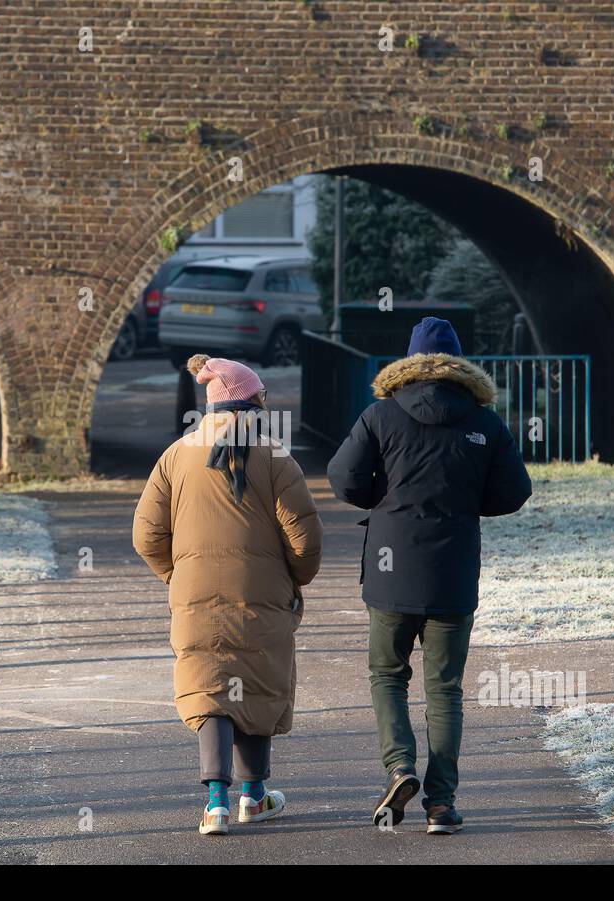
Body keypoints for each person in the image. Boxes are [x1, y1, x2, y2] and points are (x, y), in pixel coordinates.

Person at [326, 317, 531, 834]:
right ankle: (441, 804)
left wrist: (385, 498)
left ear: (409, 363)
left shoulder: (380, 416)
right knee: (445, 689)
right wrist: (464, 504)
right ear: (459, 366)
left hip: (391, 571)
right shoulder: (485, 424)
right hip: (453, 575)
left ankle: (399, 768)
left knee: (387, 676)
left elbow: (343, 478)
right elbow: (514, 492)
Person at [133, 354, 323, 836]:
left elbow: (146, 536)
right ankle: (253, 797)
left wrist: (175, 576)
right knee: (255, 679)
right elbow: (304, 539)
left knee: (209, 688)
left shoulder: (176, 455)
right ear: (251, 404)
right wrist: (295, 578)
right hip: (261, 593)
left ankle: (215, 803)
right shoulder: (276, 456)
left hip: (194, 592)